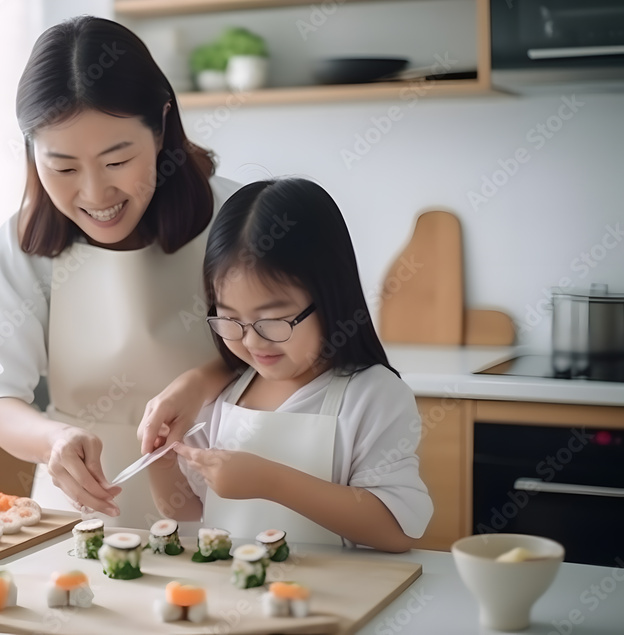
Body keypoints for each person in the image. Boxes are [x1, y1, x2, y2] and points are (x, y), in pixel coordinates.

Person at [0, 16, 239, 528]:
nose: (95, 194)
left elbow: (304, 350)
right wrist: (53, 440)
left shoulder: (237, 218)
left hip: (227, 503)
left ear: (162, 126)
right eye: (62, 168)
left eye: (117, 160)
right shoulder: (20, 245)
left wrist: (202, 381)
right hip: (80, 516)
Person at [148, 178, 433, 552]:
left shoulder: (373, 396)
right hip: (232, 599)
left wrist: (271, 482)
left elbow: (398, 531)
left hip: (334, 602)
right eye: (230, 319)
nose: (251, 341)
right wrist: (158, 461)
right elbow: (188, 510)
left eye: (272, 321)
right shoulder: (224, 395)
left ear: (330, 297)